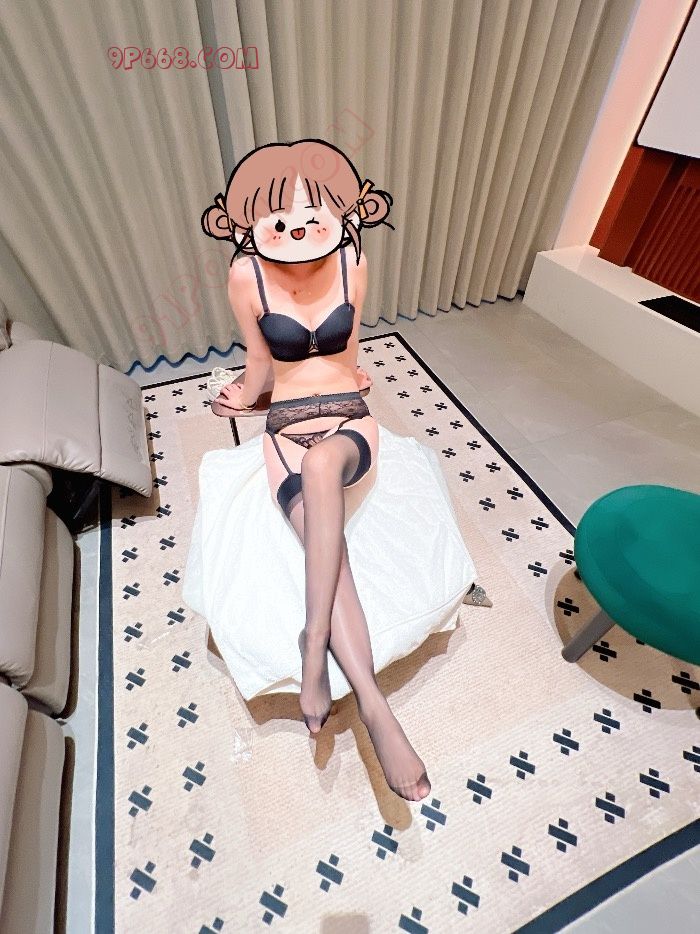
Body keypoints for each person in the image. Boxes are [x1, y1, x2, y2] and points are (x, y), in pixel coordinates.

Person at [200, 139, 484, 801]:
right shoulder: (246, 275)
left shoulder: (353, 258)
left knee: (325, 463)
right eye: (279, 218)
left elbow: (350, 345)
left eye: (314, 214)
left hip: (348, 421)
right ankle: (376, 708)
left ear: (342, 212)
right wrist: (240, 397)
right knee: (334, 558)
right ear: (248, 222)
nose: (298, 228)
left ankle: (314, 644)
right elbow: (260, 363)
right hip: (284, 428)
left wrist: (354, 376)